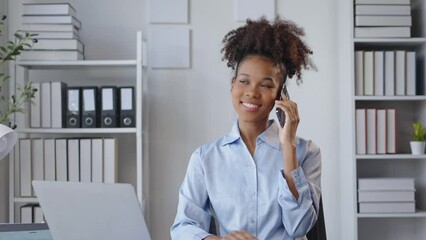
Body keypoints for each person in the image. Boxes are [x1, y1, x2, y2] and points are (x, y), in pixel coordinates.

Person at [171, 16, 321, 240]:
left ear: (281, 96)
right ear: (233, 85)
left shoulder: (306, 152)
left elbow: (299, 227)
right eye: (244, 81)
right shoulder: (205, 158)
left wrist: (288, 147)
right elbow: (183, 227)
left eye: (265, 85)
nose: (252, 92)